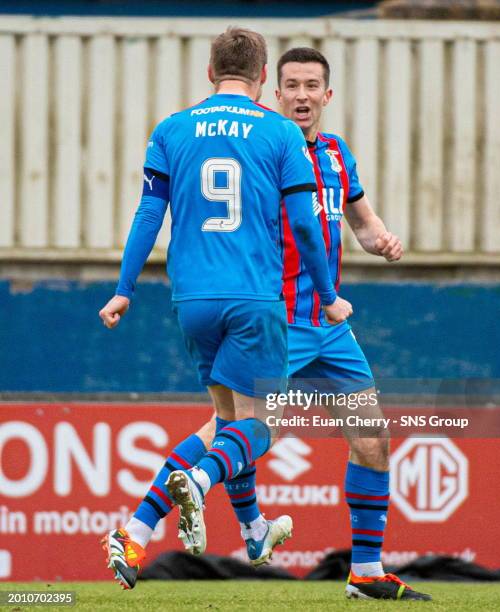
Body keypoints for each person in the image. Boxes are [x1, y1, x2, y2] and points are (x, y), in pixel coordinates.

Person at [98, 28, 351, 590]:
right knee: (260, 429)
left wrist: (124, 289)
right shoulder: (281, 132)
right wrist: (328, 296)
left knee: (226, 422)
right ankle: (201, 481)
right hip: (254, 298)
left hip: (191, 301)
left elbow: (147, 215)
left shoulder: (171, 129)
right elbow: (307, 226)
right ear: (264, 78)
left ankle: (180, 529)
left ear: (210, 72)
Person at [274, 47, 431, 601]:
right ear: (277, 95)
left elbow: (360, 222)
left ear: (327, 95)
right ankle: (140, 524)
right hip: (281, 322)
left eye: (311, 85)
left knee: (372, 439)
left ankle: (365, 573)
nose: (301, 95)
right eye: (291, 85)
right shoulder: (269, 150)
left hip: (331, 325)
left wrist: (381, 239)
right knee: (238, 434)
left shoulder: (339, 154)